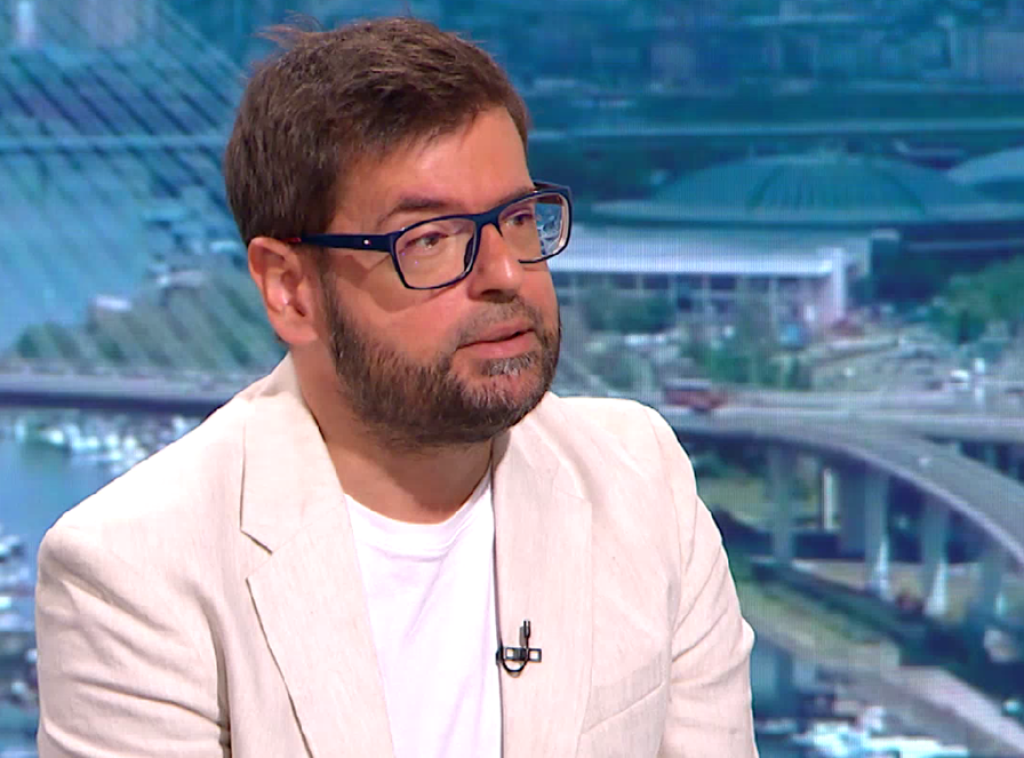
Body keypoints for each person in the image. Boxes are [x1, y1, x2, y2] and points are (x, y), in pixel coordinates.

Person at [34, 17, 758, 758]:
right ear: (290, 289)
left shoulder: (640, 480)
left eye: (516, 218)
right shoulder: (134, 574)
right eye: (430, 240)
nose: (505, 272)